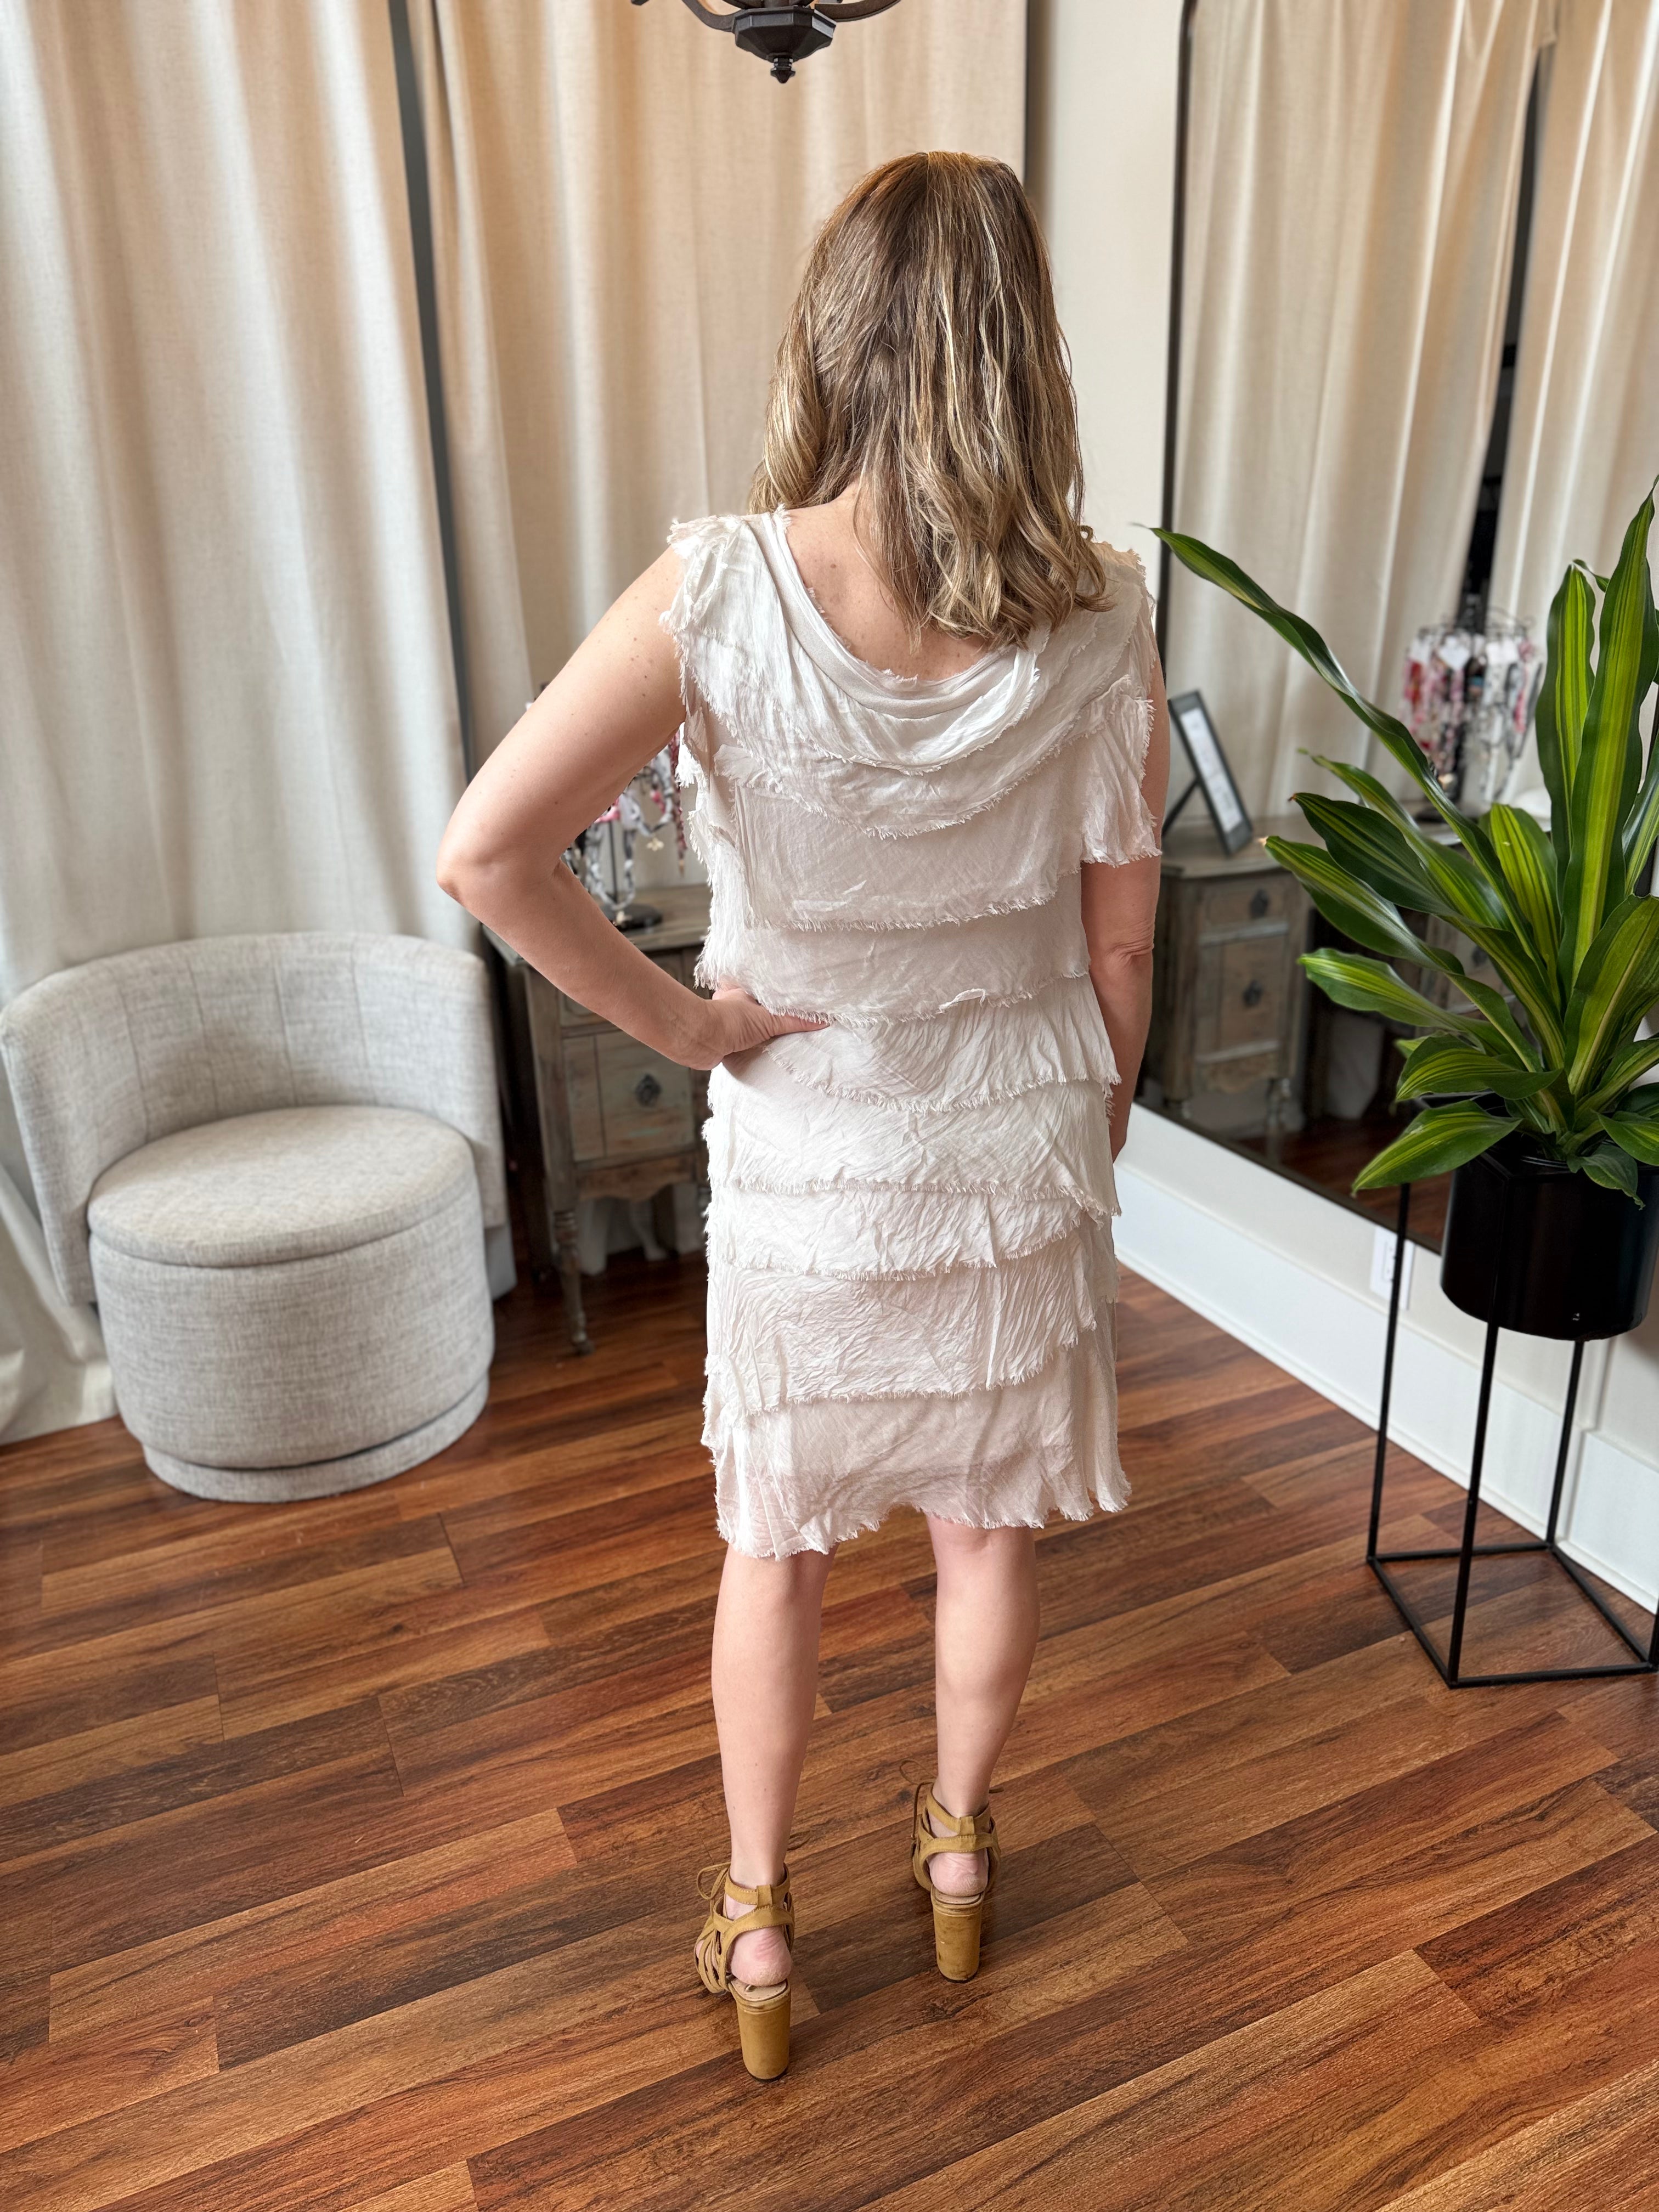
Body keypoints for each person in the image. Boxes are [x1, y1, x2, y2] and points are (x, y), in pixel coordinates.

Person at [437, 150, 1169, 2082]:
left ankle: (759, 1926)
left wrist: (695, 1025)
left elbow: (489, 854)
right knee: (986, 1537)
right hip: (1013, 1142)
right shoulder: (1104, 614)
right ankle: (958, 1860)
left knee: (777, 1547)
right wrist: (1093, 1126)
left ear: (837, 334)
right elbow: (1120, 944)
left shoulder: (723, 592)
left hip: (813, 1148)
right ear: (1027, 354)